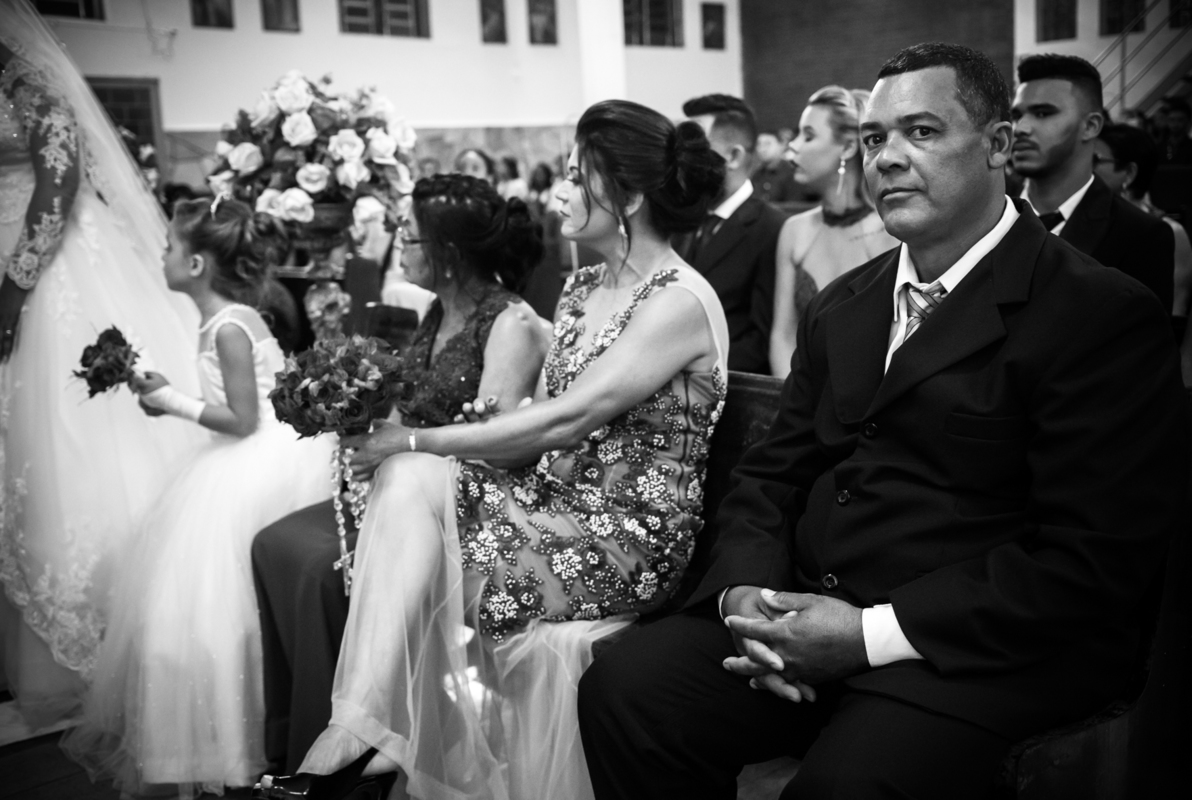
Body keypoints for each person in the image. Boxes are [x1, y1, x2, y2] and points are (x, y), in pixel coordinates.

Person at [578, 42, 1186, 800]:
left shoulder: (1097, 312)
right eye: (873, 139)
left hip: (963, 647)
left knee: (846, 786)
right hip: (806, 611)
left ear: (998, 145)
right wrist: (746, 599)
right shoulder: (848, 301)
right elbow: (774, 472)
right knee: (630, 690)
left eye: (922, 133)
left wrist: (864, 636)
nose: (889, 158)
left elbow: (1089, 558)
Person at [255, 99, 729, 800]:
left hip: (627, 537)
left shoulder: (677, 302)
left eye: (577, 176)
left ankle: (369, 738)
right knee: (413, 477)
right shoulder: (580, 287)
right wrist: (485, 431)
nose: (559, 192)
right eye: (564, 173)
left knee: (410, 466)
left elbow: (566, 422)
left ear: (627, 195)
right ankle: (361, 727)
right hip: (553, 505)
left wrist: (414, 435)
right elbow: (541, 426)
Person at [251, 174, 549, 774]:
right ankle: (307, 737)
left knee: (314, 567)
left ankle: (356, 743)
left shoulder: (510, 322)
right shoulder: (438, 312)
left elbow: (490, 448)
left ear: (448, 250)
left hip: (466, 506)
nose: (399, 243)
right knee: (272, 544)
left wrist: (396, 449)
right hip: (404, 486)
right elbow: (407, 408)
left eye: (408, 234)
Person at [62, 196, 337, 797]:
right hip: (264, 457)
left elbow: (241, 420)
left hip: (254, 466)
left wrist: (170, 402)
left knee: (209, 607)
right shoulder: (229, 318)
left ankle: (230, 740)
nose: (161, 254)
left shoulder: (230, 328)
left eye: (169, 247)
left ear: (195, 267)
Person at [0, 0, 204, 727]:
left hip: (56, 275)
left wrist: (13, 291)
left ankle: (128, 629)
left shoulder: (34, 89)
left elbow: (54, 195)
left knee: (81, 441)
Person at [1010, 53, 1174, 311]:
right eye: (1017, 115)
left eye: (1043, 113)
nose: (1021, 128)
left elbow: (1143, 344)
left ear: (1091, 126)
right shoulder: (983, 215)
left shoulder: (1140, 234)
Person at [768, 86, 899, 377]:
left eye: (809, 135)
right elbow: (783, 335)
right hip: (802, 396)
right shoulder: (794, 230)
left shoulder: (891, 231)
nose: (794, 146)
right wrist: (791, 399)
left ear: (849, 146)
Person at [677, 94, 785, 375]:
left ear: (733, 156)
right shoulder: (685, 221)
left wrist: (691, 371)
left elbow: (763, 338)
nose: (683, 160)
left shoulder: (771, 228)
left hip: (730, 387)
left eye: (695, 148)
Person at [1094, 123, 1192, 330]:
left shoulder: (1166, 232)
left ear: (1129, 173)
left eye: (1096, 160)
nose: (1083, 167)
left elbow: (1172, 314)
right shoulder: (1086, 220)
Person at [750, 130, 810, 210]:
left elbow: (795, 207)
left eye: (767, 144)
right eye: (759, 144)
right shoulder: (756, 175)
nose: (762, 149)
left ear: (781, 145)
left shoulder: (792, 173)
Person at [1157, 97, 1192, 165]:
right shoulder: (1159, 148)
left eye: (1180, 120)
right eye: (1172, 120)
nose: (1175, 124)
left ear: (1188, 122)